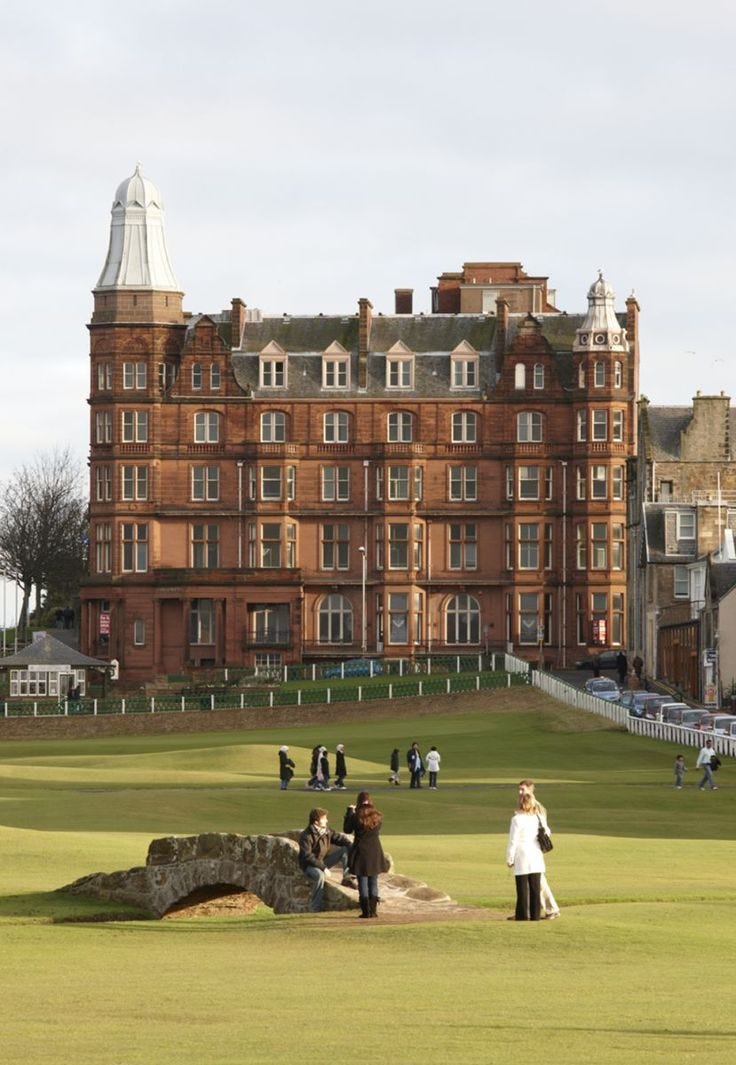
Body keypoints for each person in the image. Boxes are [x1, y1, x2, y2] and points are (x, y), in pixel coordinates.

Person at [506, 779, 551, 921]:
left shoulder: (517, 819)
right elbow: (546, 832)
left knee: (522, 886)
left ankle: (523, 914)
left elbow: (513, 840)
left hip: (522, 853)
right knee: (535, 887)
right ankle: (535, 915)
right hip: (536, 852)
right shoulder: (536, 818)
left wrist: (509, 858)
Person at [298, 807, 354, 912]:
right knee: (319, 876)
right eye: (324, 818)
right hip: (309, 865)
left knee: (345, 850)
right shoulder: (306, 835)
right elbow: (307, 856)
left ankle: (347, 878)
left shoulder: (326, 831)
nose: (327, 820)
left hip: (322, 861)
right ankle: (315, 908)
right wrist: (323, 868)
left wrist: (352, 846)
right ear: (316, 821)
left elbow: (339, 839)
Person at [343, 791, 386, 918]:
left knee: (363, 880)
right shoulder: (377, 816)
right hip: (375, 850)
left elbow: (347, 829)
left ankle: (365, 911)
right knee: (373, 880)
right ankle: (373, 910)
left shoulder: (356, 816)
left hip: (361, 851)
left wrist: (349, 812)